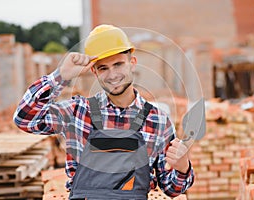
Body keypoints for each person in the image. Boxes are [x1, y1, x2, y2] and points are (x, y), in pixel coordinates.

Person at [13, 24, 194, 200]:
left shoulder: (157, 120)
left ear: (132, 62)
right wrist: (61, 76)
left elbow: (170, 189)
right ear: (94, 71)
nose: (112, 75)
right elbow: (24, 119)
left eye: (118, 64)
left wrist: (182, 168)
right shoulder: (77, 112)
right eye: (103, 68)